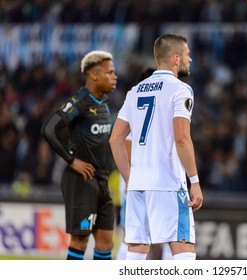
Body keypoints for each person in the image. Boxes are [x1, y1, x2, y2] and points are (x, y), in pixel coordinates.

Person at [110, 34, 203, 260]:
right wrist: (195, 181)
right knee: (183, 249)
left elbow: (115, 139)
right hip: (168, 181)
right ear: (175, 58)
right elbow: (182, 139)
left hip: (138, 184)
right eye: (187, 54)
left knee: (136, 251)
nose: (190, 59)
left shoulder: (135, 92)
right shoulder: (180, 90)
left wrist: (129, 179)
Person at [41, 50, 117, 260]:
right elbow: (49, 129)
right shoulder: (79, 102)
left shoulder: (103, 102)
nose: (115, 77)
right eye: (110, 73)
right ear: (93, 75)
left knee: (105, 242)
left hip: (102, 182)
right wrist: (72, 161)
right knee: (80, 241)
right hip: (82, 181)